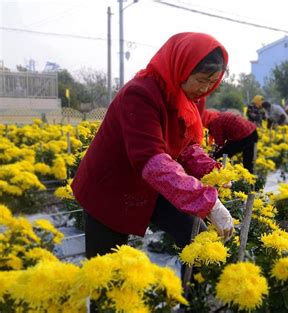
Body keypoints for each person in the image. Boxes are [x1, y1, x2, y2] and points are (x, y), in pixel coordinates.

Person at [71, 33, 234, 263]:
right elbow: (152, 160)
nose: (205, 88)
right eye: (201, 79)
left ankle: (192, 292)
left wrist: (209, 169)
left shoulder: (186, 97)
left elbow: (186, 145)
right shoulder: (140, 94)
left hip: (151, 182)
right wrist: (207, 201)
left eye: (212, 82)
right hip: (111, 185)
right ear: (182, 66)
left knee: (195, 234)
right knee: (107, 267)